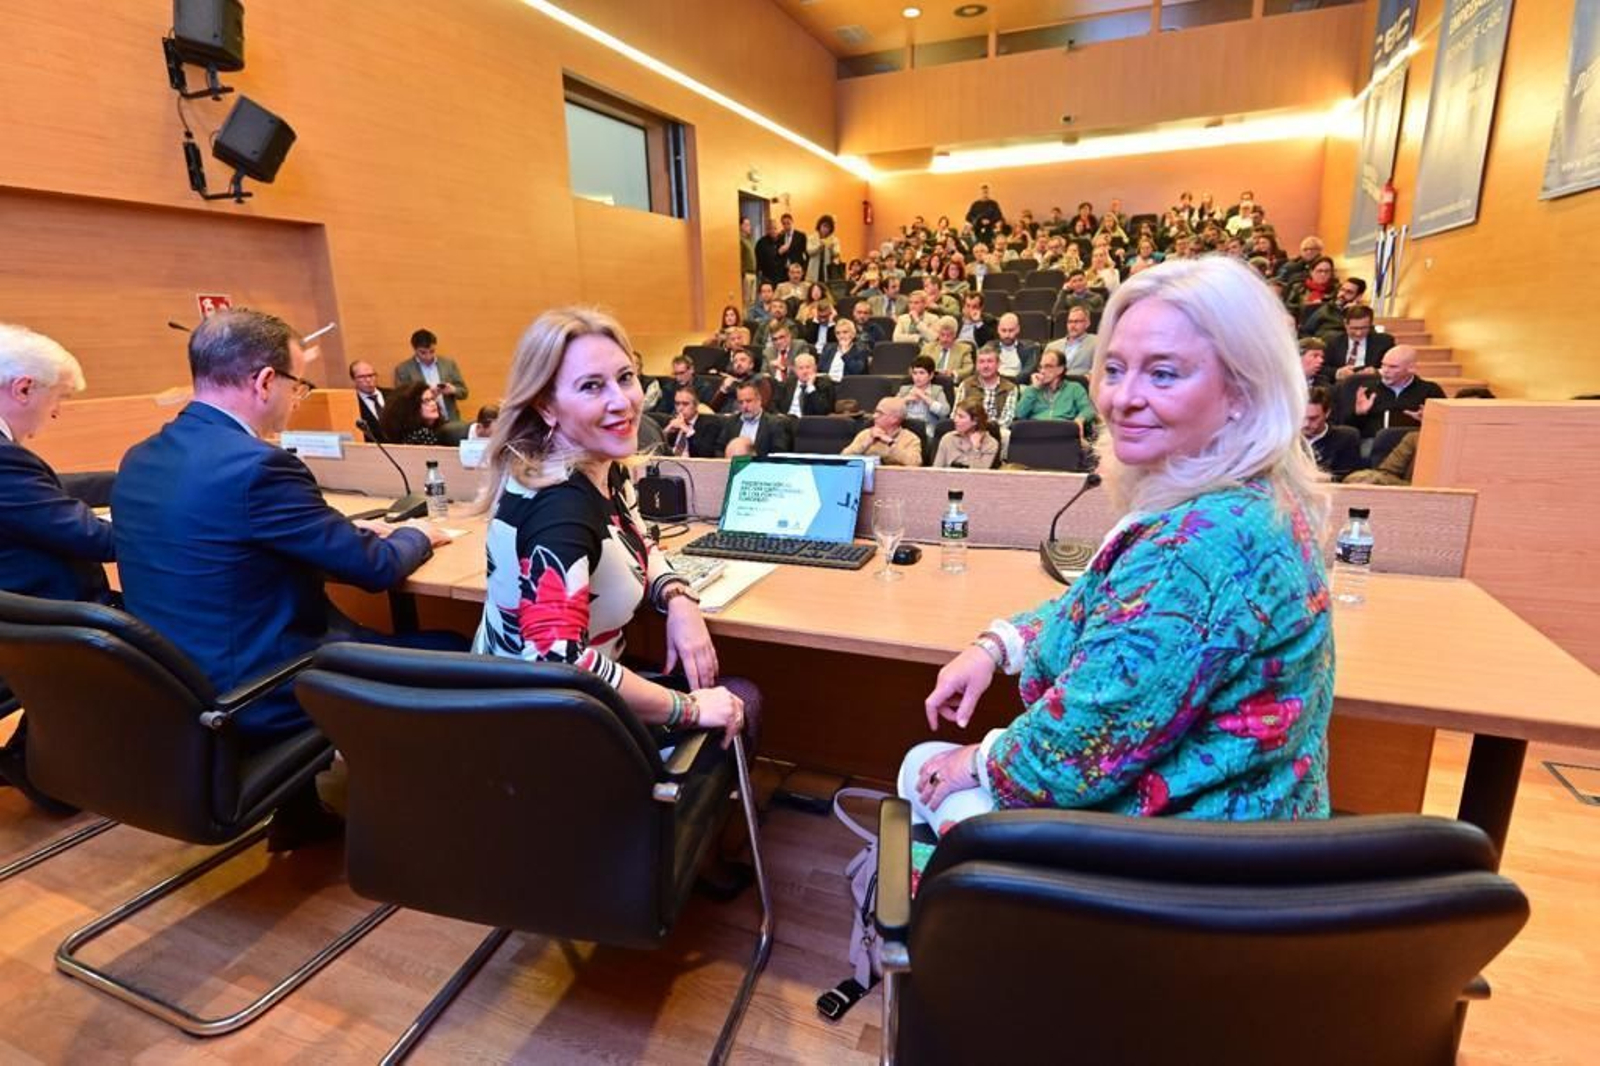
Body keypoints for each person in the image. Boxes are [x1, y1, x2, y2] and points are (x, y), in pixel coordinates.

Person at [898, 256, 1334, 862]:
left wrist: (974, 761)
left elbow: (1074, 751)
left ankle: (958, 905)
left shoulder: (1196, 546)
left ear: (1243, 390)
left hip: (1189, 860)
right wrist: (997, 646)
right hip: (1249, 827)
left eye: (1163, 374)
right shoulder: (1246, 498)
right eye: (1114, 369)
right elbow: (1107, 610)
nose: (1122, 399)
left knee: (921, 766)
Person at [112, 308, 456, 845]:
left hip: (175, 686)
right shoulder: (257, 466)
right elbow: (375, 568)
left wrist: (334, 533)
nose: (298, 399)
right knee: (455, 646)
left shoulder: (141, 457)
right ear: (265, 380)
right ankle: (441, 825)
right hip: (257, 690)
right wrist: (419, 535)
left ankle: (300, 813)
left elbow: (228, 545)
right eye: (299, 385)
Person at [473, 307, 755, 754]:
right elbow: (559, 660)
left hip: (571, 701)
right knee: (742, 698)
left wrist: (679, 597)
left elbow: (639, 540)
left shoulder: (600, 466)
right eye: (591, 386)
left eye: (625, 378)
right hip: (551, 733)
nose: (621, 401)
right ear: (546, 406)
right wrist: (687, 708)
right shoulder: (560, 509)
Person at [0, 324, 116, 810]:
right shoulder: (5, 461)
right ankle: (41, 764)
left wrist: (129, 482)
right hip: (42, 612)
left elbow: (45, 489)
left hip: (17, 606)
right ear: (24, 388)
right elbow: (97, 540)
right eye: (59, 397)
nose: (57, 412)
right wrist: (167, 523)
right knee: (164, 617)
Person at [1335, 345, 1445, 438]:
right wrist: (1358, 414)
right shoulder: (1366, 389)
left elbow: (1445, 427)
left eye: (1393, 367)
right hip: (1374, 443)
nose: (1385, 371)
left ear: (1411, 369)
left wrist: (1428, 421)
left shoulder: (1430, 390)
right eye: (1383, 365)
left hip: (1414, 442)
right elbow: (1346, 429)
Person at [395, 328, 470, 424]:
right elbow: (402, 402)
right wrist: (427, 395)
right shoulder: (404, 369)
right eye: (423, 353)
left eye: (432, 351)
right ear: (414, 349)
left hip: (450, 420)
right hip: (423, 423)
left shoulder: (448, 364)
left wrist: (453, 390)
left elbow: (464, 392)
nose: (428, 356)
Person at [1014, 350, 1095, 430]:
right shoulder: (1032, 389)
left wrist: (1080, 419)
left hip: (1063, 430)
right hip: (1036, 430)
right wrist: (1034, 389)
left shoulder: (1074, 388)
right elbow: (1019, 414)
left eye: (1048, 366)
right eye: (1041, 367)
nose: (1042, 371)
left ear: (1061, 369)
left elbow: (1088, 410)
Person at [842, 396, 923, 466]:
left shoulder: (911, 438)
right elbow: (843, 459)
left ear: (894, 419)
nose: (874, 416)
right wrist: (866, 443)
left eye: (880, 413)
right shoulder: (865, 434)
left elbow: (915, 463)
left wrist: (890, 443)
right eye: (875, 412)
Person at [1304, 385, 1361, 480]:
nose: (1306, 424)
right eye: (1302, 417)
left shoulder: (1346, 438)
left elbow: (1347, 477)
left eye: (1313, 418)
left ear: (1327, 413)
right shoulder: (1287, 439)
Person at [722, 381, 791, 456]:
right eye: (741, 402)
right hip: (733, 462)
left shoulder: (775, 424)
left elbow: (778, 454)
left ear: (759, 400)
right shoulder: (731, 422)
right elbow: (719, 448)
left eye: (748, 401)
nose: (744, 406)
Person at [956, 347, 1019, 429]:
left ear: (998, 364)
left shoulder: (1010, 388)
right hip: (969, 429)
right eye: (981, 362)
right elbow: (956, 414)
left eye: (990, 361)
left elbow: (1007, 419)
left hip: (998, 431)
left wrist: (987, 430)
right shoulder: (965, 385)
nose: (985, 366)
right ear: (976, 365)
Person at [1325, 305, 1393, 380]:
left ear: (1370, 324)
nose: (1359, 333)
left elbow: (1393, 367)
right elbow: (1322, 368)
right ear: (1345, 324)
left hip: (1371, 383)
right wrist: (1338, 372)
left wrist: (1377, 372)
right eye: (1354, 328)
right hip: (1341, 384)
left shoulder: (1384, 342)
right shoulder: (1333, 341)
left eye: (1364, 328)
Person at [933, 398, 1000, 470]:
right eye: (956, 415)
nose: (955, 420)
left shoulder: (990, 444)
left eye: (961, 417)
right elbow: (935, 471)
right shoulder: (948, 439)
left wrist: (976, 449)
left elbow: (979, 474)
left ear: (975, 421)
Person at [665, 386, 725, 458]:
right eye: (677, 404)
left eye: (685, 404)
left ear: (696, 405)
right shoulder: (672, 422)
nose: (680, 408)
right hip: (670, 462)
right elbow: (658, 449)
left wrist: (687, 430)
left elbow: (705, 453)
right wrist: (666, 432)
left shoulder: (710, 424)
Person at [380, 382, 449, 445]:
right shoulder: (419, 436)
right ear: (412, 407)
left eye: (433, 399)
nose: (433, 404)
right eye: (426, 401)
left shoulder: (441, 429)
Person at [897, 356, 952, 433]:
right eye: (915, 373)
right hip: (905, 429)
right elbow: (890, 409)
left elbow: (944, 412)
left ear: (931, 375)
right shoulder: (905, 389)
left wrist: (924, 397)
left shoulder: (937, 390)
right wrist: (905, 399)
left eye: (922, 373)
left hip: (927, 431)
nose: (917, 377)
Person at [774, 353, 836, 417]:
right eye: (801, 368)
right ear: (796, 370)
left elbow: (823, 411)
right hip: (786, 419)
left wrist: (811, 387)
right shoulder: (789, 382)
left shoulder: (824, 384)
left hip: (807, 421)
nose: (805, 371)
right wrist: (778, 413)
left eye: (808, 367)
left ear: (815, 368)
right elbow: (774, 402)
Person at [1043, 306, 1097, 376]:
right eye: (1070, 322)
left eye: (1077, 321)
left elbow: (1099, 369)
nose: (1072, 325)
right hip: (1055, 381)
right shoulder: (1052, 346)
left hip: (1081, 381)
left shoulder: (1096, 342)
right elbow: (1044, 370)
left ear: (1087, 323)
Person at [986, 313, 1040, 380]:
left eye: (1011, 330)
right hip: (993, 383)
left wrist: (1004, 381)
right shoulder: (989, 347)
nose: (1007, 335)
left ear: (1018, 329)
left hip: (1018, 383)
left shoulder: (1030, 348)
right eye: (1003, 330)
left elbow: (1026, 374)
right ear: (998, 330)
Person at [921, 316, 975, 380]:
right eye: (942, 335)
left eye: (948, 335)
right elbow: (918, 366)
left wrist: (953, 373)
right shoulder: (928, 348)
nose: (945, 339)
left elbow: (968, 368)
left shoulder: (964, 349)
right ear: (938, 334)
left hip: (950, 382)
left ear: (954, 335)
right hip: (930, 381)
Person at [349, 360, 390, 440]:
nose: (368, 380)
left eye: (371, 375)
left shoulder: (393, 395)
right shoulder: (352, 403)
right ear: (353, 379)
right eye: (362, 377)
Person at [807, 214, 841, 282]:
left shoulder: (834, 239)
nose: (825, 229)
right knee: (813, 284)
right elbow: (809, 251)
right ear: (819, 226)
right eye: (824, 226)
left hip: (828, 268)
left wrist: (831, 249)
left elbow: (837, 253)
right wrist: (819, 247)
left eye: (828, 227)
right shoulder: (812, 238)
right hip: (814, 267)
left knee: (826, 285)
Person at [739, 217, 758, 307]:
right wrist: (742, 272)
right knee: (746, 300)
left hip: (754, 272)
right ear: (740, 226)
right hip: (746, 273)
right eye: (746, 225)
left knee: (752, 300)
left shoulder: (750, 240)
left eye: (749, 225)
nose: (749, 227)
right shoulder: (740, 240)